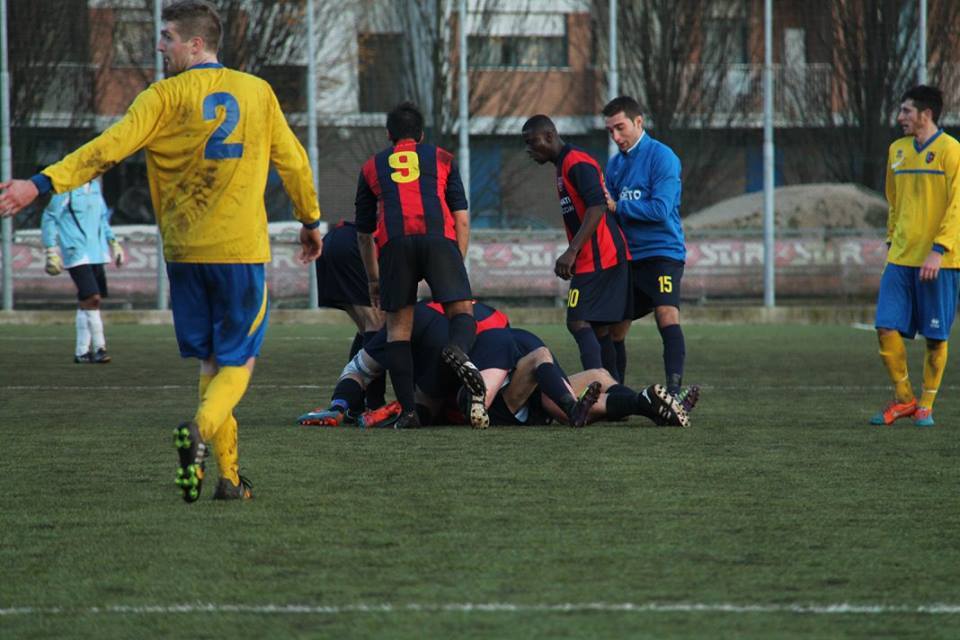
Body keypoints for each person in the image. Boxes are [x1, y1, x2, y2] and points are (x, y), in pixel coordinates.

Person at [0, 0, 323, 501]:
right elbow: (295, 163)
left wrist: (40, 184)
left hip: (184, 253)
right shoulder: (257, 92)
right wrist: (309, 221)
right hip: (238, 251)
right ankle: (198, 430)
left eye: (167, 36)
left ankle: (230, 479)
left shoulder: (162, 97)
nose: (159, 44)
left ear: (196, 44)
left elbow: (106, 148)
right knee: (240, 364)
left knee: (211, 363)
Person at [355, 102, 484, 429]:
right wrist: (457, 260)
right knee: (461, 313)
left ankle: (410, 412)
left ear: (389, 135)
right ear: (422, 135)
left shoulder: (371, 166)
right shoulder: (442, 158)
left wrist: (373, 279)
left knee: (398, 330)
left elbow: (364, 233)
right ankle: (456, 350)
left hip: (395, 244)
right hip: (439, 240)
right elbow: (462, 218)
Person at [871, 85, 960, 427]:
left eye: (906, 111)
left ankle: (927, 403)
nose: (900, 118)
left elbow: (956, 207)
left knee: (936, 336)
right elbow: (893, 201)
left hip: (941, 260)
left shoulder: (951, 151)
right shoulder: (897, 150)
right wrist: (892, 240)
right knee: (885, 326)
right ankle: (904, 398)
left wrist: (939, 250)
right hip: (901, 257)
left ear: (926, 114)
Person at [521, 115, 632, 379]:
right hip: (598, 257)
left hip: (601, 257)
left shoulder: (576, 162)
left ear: (549, 136)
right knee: (600, 329)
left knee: (577, 321)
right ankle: (614, 392)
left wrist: (571, 251)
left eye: (532, 142)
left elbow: (597, 206)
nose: (529, 149)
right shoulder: (563, 165)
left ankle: (599, 386)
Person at [602, 96, 691, 403]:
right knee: (615, 328)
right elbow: (607, 213)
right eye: (610, 131)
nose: (616, 137)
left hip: (662, 254)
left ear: (638, 122)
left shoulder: (662, 157)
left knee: (666, 315)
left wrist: (618, 206)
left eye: (620, 128)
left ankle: (675, 394)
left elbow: (661, 209)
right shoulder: (614, 166)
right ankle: (617, 396)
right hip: (628, 260)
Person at [41, 179, 126, 364]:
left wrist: (114, 243)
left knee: (85, 301)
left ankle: (81, 352)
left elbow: (102, 218)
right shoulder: (66, 188)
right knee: (93, 298)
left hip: (97, 252)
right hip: (76, 251)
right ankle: (99, 348)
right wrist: (50, 249)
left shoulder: (95, 187)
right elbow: (50, 216)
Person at [315, 219, 386, 409]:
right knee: (377, 324)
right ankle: (374, 404)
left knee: (367, 329)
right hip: (355, 244)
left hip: (332, 240)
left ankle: (354, 404)